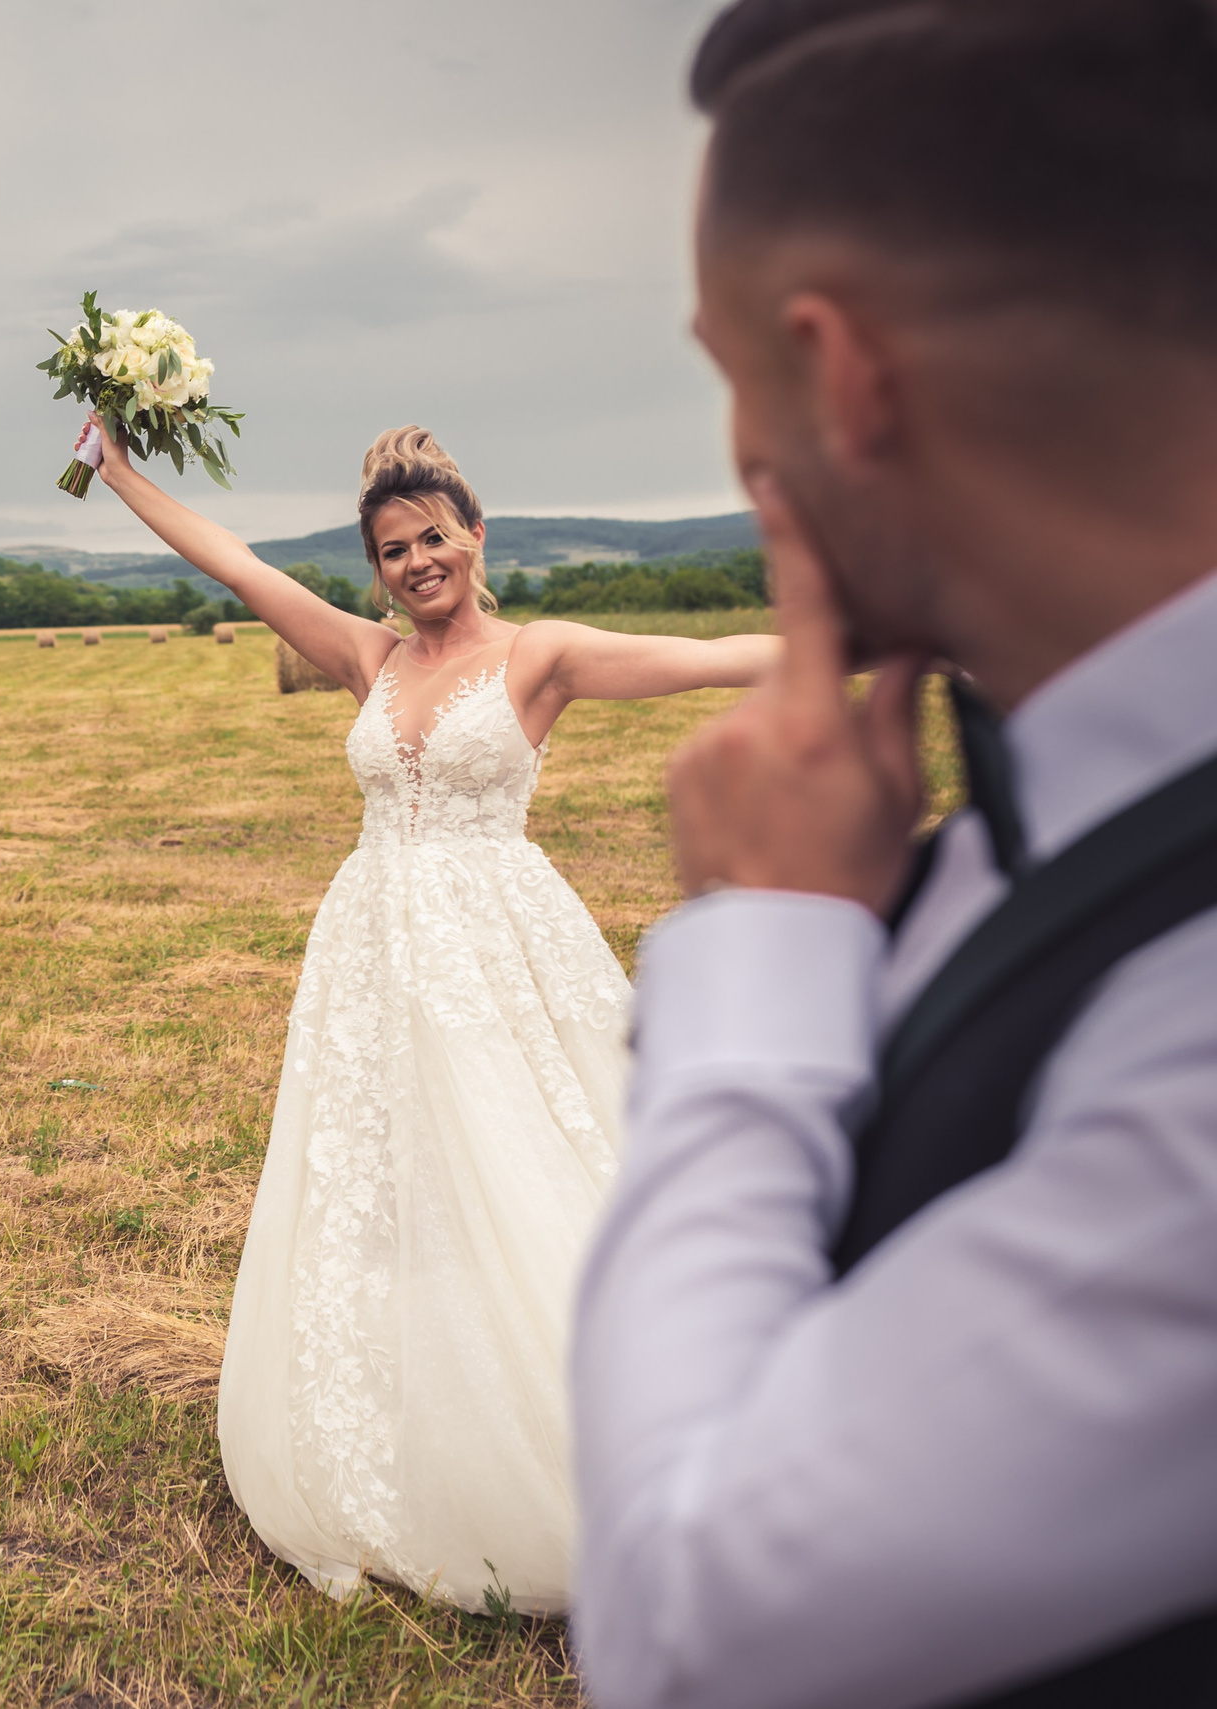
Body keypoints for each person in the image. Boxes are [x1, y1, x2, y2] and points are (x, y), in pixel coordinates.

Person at [571, 1, 1217, 1705]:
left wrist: (767, 939)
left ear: (844, 375)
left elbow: (692, 1625)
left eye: (731, 375)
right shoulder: (1020, 805)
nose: (741, 449)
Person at [87, 417, 776, 1610]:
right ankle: (410, 1432)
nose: (416, 562)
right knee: (385, 1188)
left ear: (474, 534)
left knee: (524, 1164)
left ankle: (592, 1429)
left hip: (493, 941)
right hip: (367, 951)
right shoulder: (369, 656)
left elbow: (708, 656)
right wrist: (117, 472)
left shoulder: (539, 655)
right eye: (393, 548)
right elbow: (237, 566)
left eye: (434, 537)